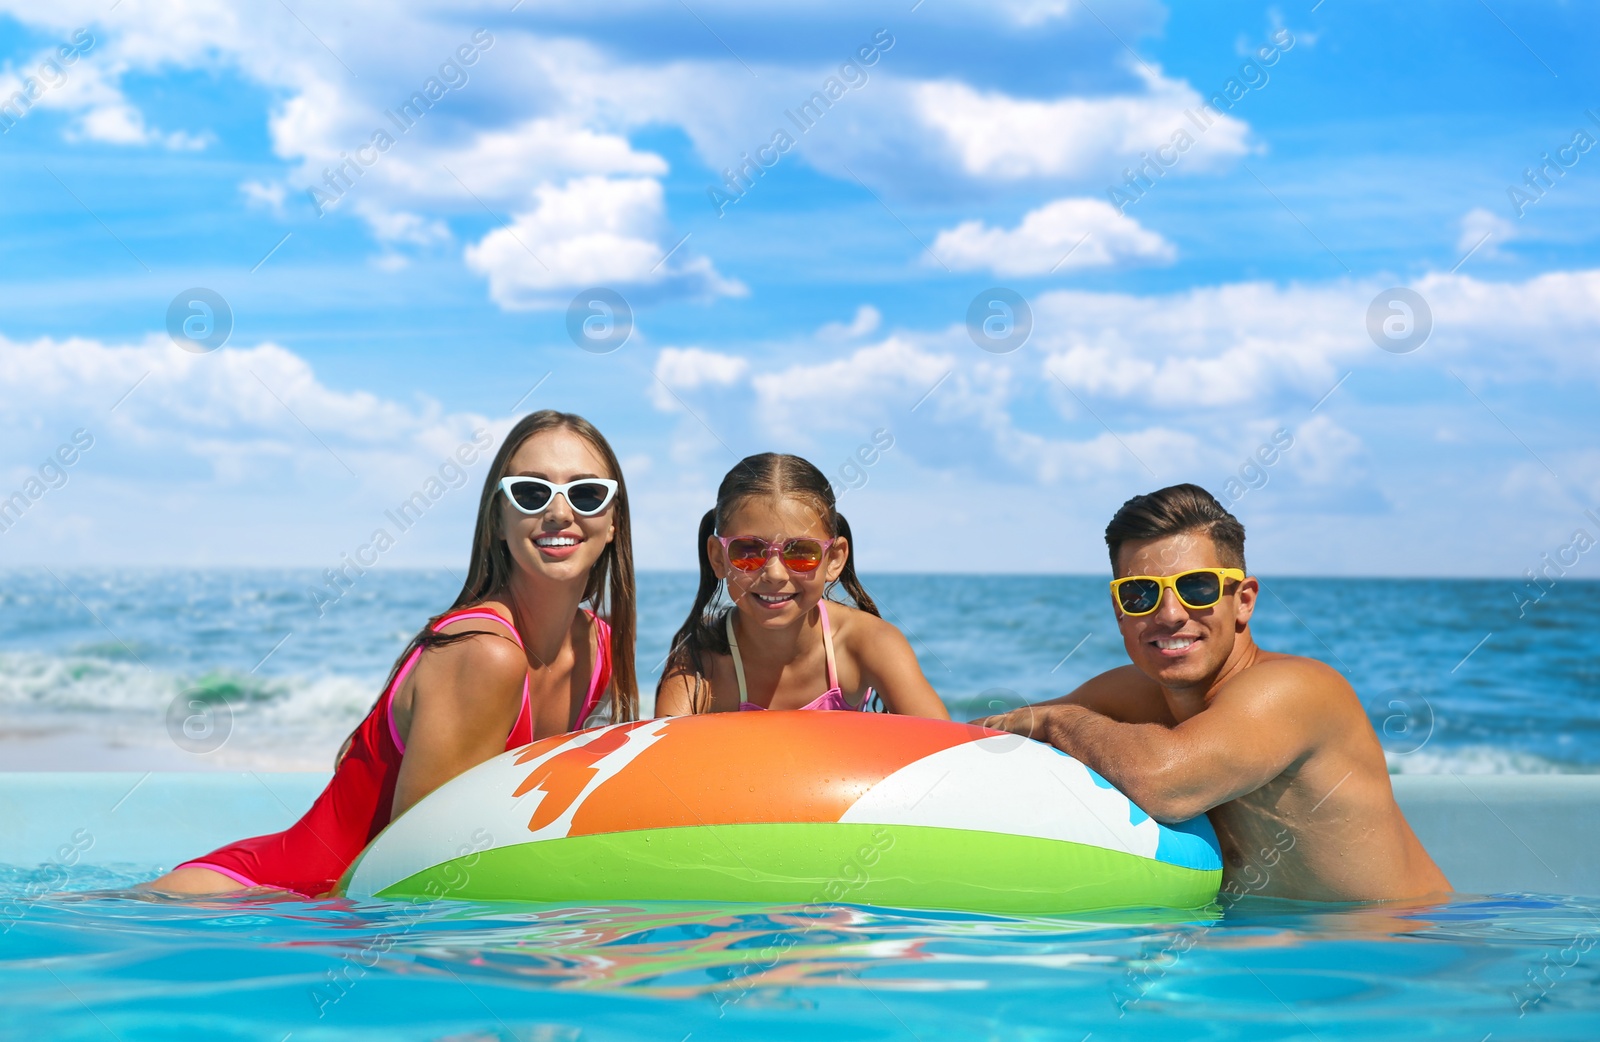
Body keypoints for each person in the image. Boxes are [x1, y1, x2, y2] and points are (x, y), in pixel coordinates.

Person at [146, 410, 639, 897]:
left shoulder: (597, 648)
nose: (559, 512)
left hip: (330, 918)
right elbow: (410, 873)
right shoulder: (485, 655)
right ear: (499, 520)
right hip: (256, 905)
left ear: (614, 521)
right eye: (531, 493)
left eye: (587, 494)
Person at [979, 484, 1449, 903]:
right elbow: (986, 736)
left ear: (1243, 600)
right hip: (1281, 960)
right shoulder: (1129, 693)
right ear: (1119, 610)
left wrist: (1061, 722)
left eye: (1196, 588)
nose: (1169, 614)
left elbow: (1164, 784)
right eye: (1140, 593)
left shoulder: (1296, 689)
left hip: (1404, 954)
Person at [655, 453, 948, 719]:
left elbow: (941, 748)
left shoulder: (868, 644)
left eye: (801, 552)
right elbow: (661, 758)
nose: (775, 573)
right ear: (718, 558)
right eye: (747, 550)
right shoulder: (699, 659)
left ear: (834, 559)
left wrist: (986, 728)